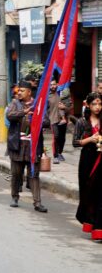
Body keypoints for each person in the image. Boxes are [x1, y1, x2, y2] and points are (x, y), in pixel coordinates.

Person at [6, 81, 47, 213]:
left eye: (22, 90)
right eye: (19, 90)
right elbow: (10, 115)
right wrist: (24, 112)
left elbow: (46, 121)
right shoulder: (15, 103)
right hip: (17, 144)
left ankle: (37, 202)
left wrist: (35, 117)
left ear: (29, 92)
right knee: (16, 173)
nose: (19, 92)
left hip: (33, 146)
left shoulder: (38, 105)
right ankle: (14, 197)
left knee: (34, 174)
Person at [73, 92, 102, 240]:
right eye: (94, 104)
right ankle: (90, 223)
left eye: (99, 104)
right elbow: (75, 142)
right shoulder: (82, 122)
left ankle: (99, 228)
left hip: (101, 159)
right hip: (87, 160)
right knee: (88, 193)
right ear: (88, 106)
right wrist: (90, 139)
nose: (97, 107)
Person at [48, 79, 72, 164]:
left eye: (54, 84)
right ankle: (55, 156)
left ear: (57, 84)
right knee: (56, 137)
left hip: (63, 120)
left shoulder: (63, 95)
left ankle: (60, 153)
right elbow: (45, 109)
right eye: (51, 85)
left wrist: (64, 108)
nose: (52, 86)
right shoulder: (48, 96)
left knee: (62, 138)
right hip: (53, 119)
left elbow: (70, 108)